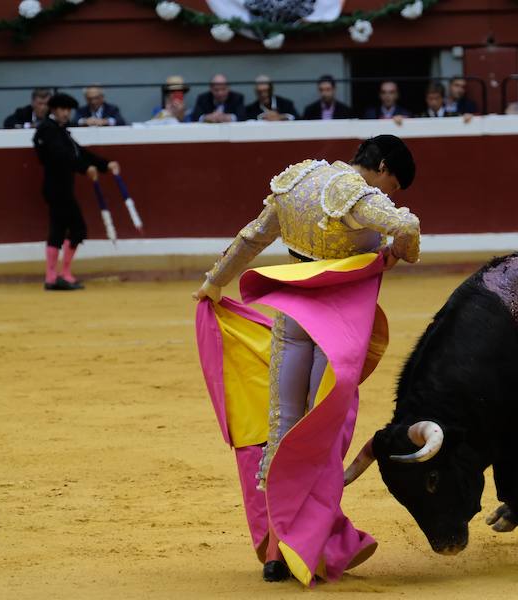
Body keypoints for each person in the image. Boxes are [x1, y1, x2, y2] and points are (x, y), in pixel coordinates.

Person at [192, 135, 419, 585]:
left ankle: (276, 553)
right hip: (336, 325)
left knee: (283, 428)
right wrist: (398, 253)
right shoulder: (358, 196)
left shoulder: (296, 180)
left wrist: (214, 282)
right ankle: (312, 545)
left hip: (292, 319)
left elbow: (252, 237)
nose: (389, 194)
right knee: (321, 430)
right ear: (382, 166)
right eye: (393, 184)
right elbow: (407, 226)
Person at [32, 93, 120, 290]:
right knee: (76, 229)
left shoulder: (58, 130)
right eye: (63, 109)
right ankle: (60, 275)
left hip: (60, 188)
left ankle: (54, 276)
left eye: (68, 110)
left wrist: (105, 165)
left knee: (60, 230)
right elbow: (61, 156)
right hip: (57, 189)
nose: (66, 113)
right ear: (54, 110)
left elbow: (79, 152)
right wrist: (85, 168)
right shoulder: (48, 130)